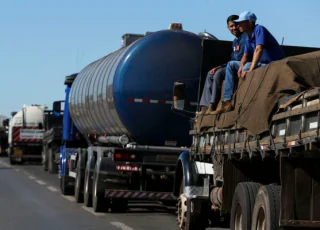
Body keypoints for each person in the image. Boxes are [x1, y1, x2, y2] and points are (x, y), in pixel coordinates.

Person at [212, 11, 286, 114]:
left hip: (272, 64)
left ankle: (246, 102)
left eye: (241, 22)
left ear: (250, 22)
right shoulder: (248, 36)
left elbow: (258, 50)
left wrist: (250, 69)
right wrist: (240, 67)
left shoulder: (259, 29)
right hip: (261, 64)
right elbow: (245, 56)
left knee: (247, 66)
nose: (238, 25)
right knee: (231, 64)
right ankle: (227, 101)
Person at [197, 15, 247, 116]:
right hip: (231, 65)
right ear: (228, 28)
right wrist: (219, 67)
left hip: (240, 65)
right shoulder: (235, 41)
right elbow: (232, 59)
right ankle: (204, 106)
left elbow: (244, 57)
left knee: (218, 74)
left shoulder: (245, 38)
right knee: (211, 73)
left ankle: (213, 104)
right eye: (231, 26)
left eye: (236, 25)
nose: (234, 28)